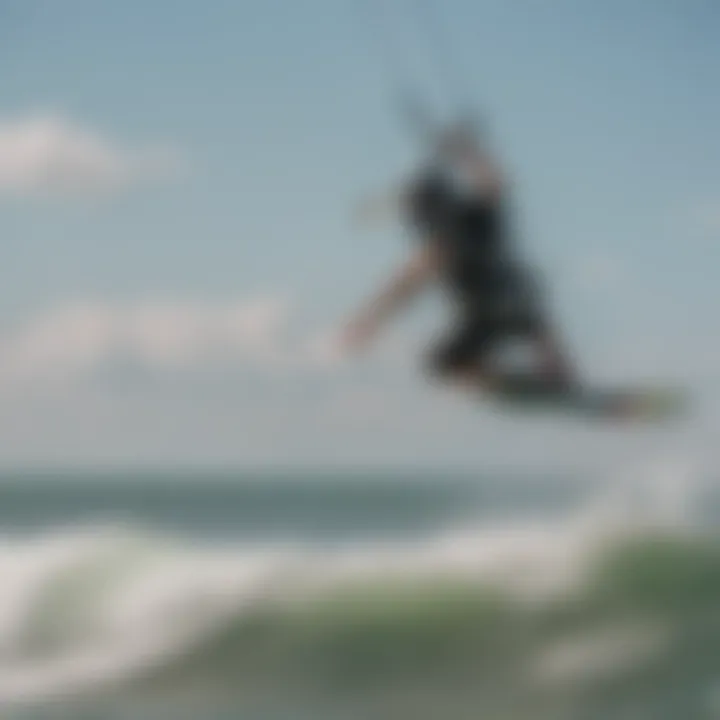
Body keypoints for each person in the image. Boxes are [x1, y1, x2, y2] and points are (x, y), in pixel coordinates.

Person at [340, 124, 577, 403]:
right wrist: (466, 148)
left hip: (489, 315)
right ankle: (557, 372)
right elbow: (494, 180)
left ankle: (500, 380)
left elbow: (402, 289)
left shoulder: (439, 245)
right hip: (518, 306)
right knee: (530, 311)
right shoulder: (482, 211)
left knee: (443, 363)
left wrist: (366, 323)